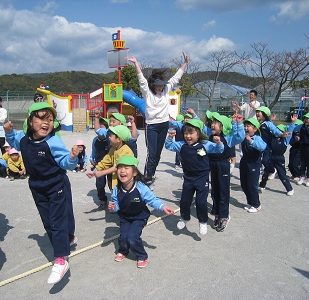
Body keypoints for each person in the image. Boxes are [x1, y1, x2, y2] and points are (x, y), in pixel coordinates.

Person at [4, 102, 79, 284]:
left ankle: (61, 259)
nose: (47, 122)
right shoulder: (24, 138)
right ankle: (68, 237)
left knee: (58, 219)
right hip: (36, 185)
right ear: (30, 122)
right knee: (48, 221)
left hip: (56, 183)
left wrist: (72, 157)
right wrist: (8, 133)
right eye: (42, 118)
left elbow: (65, 163)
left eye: (51, 119)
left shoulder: (52, 141)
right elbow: (15, 142)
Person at [126, 52, 189, 185]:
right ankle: (146, 179)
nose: (160, 86)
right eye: (158, 84)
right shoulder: (147, 93)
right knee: (152, 154)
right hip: (152, 126)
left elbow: (176, 78)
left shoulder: (166, 90)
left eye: (162, 84)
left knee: (158, 155)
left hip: (164, 124)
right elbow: (141, 79)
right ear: (153, 84)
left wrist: (185, 64)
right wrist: (136, 63)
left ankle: (151, 176)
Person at [108, 156, 174, 268]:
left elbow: (152, 200)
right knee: (123, 238)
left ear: (134, 173)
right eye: (119, 168)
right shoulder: (116, 189)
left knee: (132, 237)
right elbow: (116, 206)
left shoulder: (141, 188)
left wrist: (163, 207)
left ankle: (142, 255)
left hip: (140, 216)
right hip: (125, 217)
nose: (122, 171)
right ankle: (123, 251)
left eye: (126, 168)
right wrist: (113, 207)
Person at [165, 119, 224, 235]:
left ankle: (202, 221)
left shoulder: (205, 145)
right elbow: (169, 146)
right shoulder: (182, 145)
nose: (188, 136)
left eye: (191, 133)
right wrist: (169, 137)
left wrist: (219, 143)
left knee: (201, 201)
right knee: (184, 201)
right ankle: (184, 218)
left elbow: (219, 150)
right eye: (186, 133)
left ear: (198, 134)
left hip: (202, 178)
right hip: (188, 178)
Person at [208, 112, 245, 232]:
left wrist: (238, 123)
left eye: (216, 123)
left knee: (223, 192)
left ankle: (224, 216)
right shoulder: (210, 136)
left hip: (223, 166)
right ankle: (217, 213)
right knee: (214, 191)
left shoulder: (228, 138)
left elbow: (240, 136)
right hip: (213, 165)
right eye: (212, 123)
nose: (212, 125)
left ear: (223, 126)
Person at [86, 125, 134, 191]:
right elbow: (105, 161)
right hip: (117, 184)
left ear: (119, 139)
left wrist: (102, 173)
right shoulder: (113, 149)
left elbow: (117, 167)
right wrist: (95, 170)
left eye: (111, 135)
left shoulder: (126, 151)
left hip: (126, 184)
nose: (109, 137)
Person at [255, 106, 291, 191]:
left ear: (264, 114)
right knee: (259, 163)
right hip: (259, 146)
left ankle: (272, 170)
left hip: (267, 147)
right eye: (257, 112)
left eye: (259, 112)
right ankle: (260, 183)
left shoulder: (268, 123)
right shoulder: (258, 123)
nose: (257, 114)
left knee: (265, 161)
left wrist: (282, 134)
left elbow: (275, 130)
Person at [258, 123, 294, 196]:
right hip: (271, 156)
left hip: (279, 158)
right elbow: (269, 128)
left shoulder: (285, 140)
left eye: (280, 131)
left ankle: (289, 189)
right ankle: (262, 185)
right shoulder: (271, 138)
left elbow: (290, 132)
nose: (277, 132)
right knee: (266, 172)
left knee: (282, 174)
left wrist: (292, 123)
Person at [240, 119, 267, 213]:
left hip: (254, 163)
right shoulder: (244, 136)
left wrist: (251, 141)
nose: (246, 128)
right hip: (244, 161)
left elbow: (262, 147)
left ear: (255, 129)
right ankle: (250, 202)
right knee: (244, 184)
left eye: (248, 126)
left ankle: (256, 204)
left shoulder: (257, 138)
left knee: (252, 184)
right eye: (245, 126)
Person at [89, 128, 110, 209]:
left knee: (112, 183)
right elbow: (94, 151)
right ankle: (102, 200)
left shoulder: (109, 139)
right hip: (99, 165)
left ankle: (115, 200)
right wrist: (92, 159)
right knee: (100, 183)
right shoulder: (95, 140)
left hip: (110, 165)